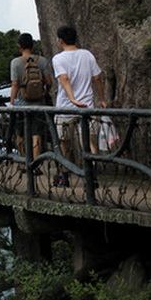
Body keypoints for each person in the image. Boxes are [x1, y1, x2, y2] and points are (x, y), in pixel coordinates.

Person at [52, 25, 106, 185]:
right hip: (87, 106)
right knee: (87, 141)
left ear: (60, 41)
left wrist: (72, 99)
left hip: (65, 107)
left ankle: (65, 176)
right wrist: (102, 98)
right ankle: (92, 175)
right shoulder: (87, 55)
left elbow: (64, 79)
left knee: (64, 142)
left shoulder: (58, 59)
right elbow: (97, 78)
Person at [9, 33, 53, 166]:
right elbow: (49, 81)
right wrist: (44, 91)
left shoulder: (16, 62)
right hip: (39, 103)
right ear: (33, 45)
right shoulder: (42, 61)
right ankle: (35, 162)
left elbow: (15, 84)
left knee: (21, 133)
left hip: (22, 104)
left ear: (19, 46)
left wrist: (12, 102)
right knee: (36, 133)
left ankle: (24, 161)